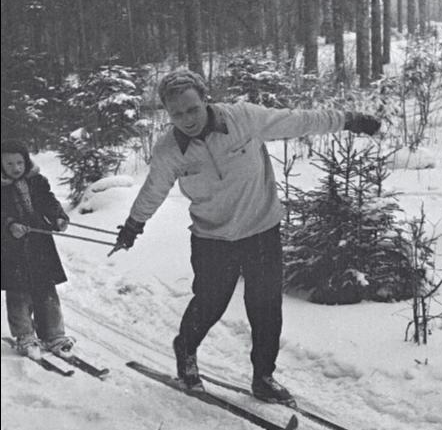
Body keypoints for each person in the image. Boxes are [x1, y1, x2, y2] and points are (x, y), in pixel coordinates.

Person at [113, 69, 380, 403]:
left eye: (192, 109)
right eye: (177, 114)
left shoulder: (243, 118)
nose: (187, 119)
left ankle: (263, 377)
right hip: (212, 239)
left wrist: (348, 120)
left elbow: (300, 120)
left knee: (266, 308)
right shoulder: (169, 151)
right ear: (167, 114)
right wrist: (133, 226)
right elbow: (154, 189)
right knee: (209, 304)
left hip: (261, 231)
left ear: (205, 99)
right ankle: (186, 350)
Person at [1, 140, 74, 360]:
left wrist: (58, 217)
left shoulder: (36, 181)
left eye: (19, 162)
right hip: (11, 248)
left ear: (26, 161)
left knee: (46, 289)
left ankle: (53, 334)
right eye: (9, 163)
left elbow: (48, 202)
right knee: (19, 292)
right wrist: (9, 225)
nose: (15, 168)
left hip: (39, 243)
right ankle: (24, 335)